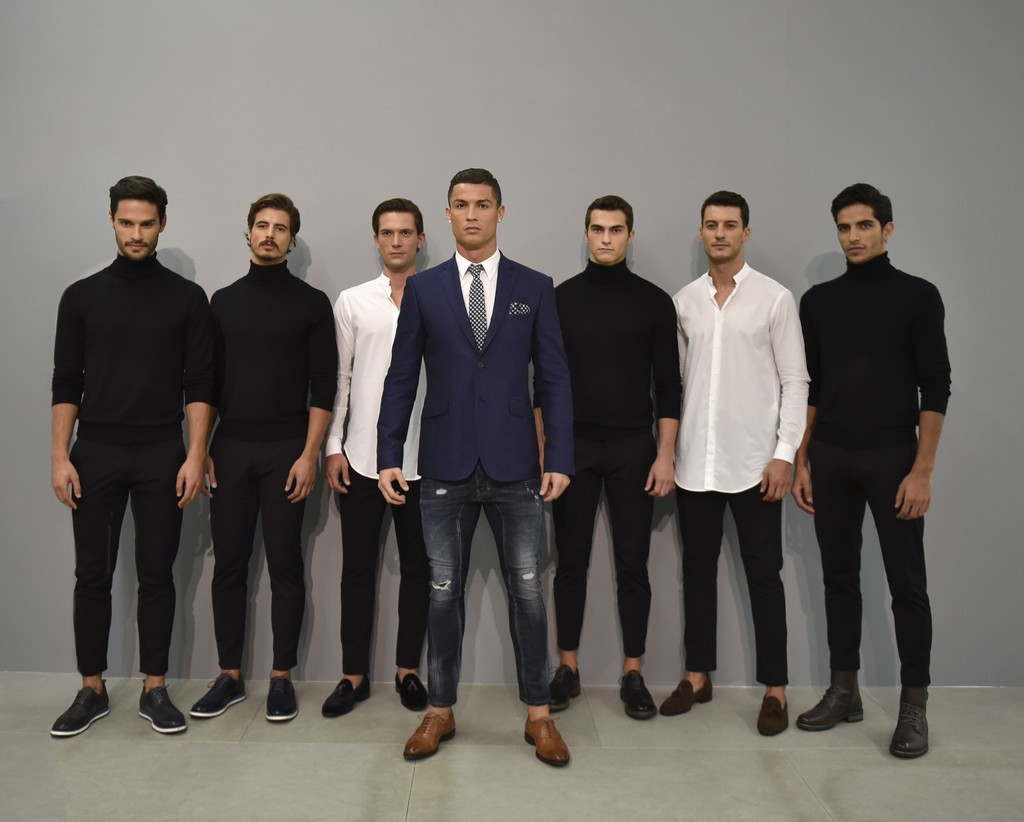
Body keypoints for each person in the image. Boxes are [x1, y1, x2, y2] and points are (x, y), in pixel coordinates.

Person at [377, 168, 574, 766]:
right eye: (460, 205)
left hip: (518, 464)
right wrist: (388, 455)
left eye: (482, 205)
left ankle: (538, 715)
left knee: (529, 591)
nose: (471, 214)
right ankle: (440, 711)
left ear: (500, 212)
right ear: (447, 213)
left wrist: (559, 456)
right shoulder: (425, 288)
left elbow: (554, 378)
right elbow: (401, 376)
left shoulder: (534, 286)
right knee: (442, 593)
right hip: (445, 462)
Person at [50, 176, 214, 736]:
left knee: (157, 573)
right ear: (112, 222)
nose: (136, 234)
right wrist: (59, 456)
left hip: (162, 452)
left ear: (162, 223)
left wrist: (195, 454)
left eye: (146, 224)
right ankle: (91, 689)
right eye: (127, 223)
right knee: (91, 574)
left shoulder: (187, 298)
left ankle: (155, 688)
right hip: (93, 452)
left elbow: (199, 382)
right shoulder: (81, 297)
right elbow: (66, 380)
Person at [792, 183, 950, 759]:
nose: (853, 236)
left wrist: (923, 469)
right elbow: (810, 388)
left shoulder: (918, 296)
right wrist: (802, 458)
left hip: (893, 457)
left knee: (908, 584)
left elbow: (935, 384)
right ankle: (844, 691)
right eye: (844, 227)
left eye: (864, 225)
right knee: (839, 579)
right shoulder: (818, 302)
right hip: (831, 455)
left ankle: (914, 706)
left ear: (887, 229)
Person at [662, 191, 808, 736]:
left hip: (756, 464)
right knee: (696, 573)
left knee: (764, 575)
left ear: (746, 232)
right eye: (711, 225)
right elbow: (676, 384)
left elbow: (796, 381)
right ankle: (696, 676)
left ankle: (776, 689)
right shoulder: (684, 303)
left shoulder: (775, 299)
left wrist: (784, 454)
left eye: (729, 225)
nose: (719, 233)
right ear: (701, 233)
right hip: (695, 463)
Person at [189, 194, 337, 723]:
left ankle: (280, 677)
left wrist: (309, 453)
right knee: (228, 566)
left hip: (286, 452)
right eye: (261, 225)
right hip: (230, 450)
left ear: (291, 239)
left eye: (280, 228)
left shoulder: (312, 303)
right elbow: (206, 382)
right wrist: (202, 449)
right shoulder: (223, 302)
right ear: (248, 233)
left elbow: (324, 384)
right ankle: (229, 675)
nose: (269, 234)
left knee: (285, 564)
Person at [543, 195, 680, 719]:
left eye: (616, 230)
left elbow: (668, 386)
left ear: (630, 236)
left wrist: (665, 455)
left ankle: (633, 672)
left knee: (633, 564)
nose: (606, 238)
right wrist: (547, 451)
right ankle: (568, 667)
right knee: (570, 562)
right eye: (598, 229)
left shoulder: (654, 302)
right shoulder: (560, 300)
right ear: (586, 233)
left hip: (633, 449)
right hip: (573, 448)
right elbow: (543, 383)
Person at [320, 198, 430, 718]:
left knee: (420, 568)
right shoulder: (352, 301)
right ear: (376, 239)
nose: (396, 241)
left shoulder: (441, 298)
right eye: (387, 233)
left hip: (425, 458)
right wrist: (333, 446)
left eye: (406, 232)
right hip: (362, 456)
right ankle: (353, 676)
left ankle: (408, 671)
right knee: (357, 570)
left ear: (421, 239)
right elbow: (341, 379)